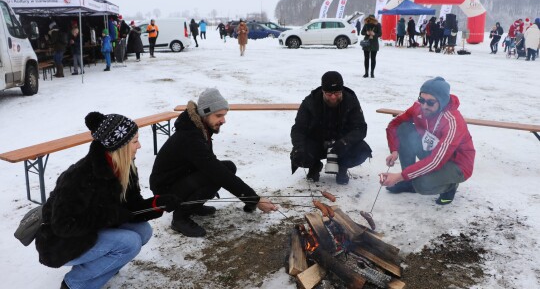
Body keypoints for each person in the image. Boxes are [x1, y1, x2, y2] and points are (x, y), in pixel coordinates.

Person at [35, 112, 180, 289]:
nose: (139, 146)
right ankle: (74, 283)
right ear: (118, 146)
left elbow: (132, 207)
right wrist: (109, 215)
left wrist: (158, 204)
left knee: (143, 231)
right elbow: (63, 225)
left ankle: (104, 266)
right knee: (129, 243)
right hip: (60, 243)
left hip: (93, 230)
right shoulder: (79, 176)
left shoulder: (126, 168)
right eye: (134, 141)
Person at [149, 88, 278, 237]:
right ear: (205, 113)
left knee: (228, 167)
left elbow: (212, 164)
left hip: (180, 179)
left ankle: (193, 206)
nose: (223, 120)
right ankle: (180, 218)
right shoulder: (190, 137)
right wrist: (254, 199)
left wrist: (251, 200)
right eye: (219, 115)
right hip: (165, 190)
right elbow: (216, 171)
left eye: (224, 115)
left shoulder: (200, 128)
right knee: (217, 174)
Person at [380, 77, 475, 205]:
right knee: (404, 128)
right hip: (432, 149)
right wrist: (394, 150)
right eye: (421, 99)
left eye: (430, 102)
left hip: (456, 163)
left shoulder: (453, 122)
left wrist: (399, 176)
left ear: (442, 102)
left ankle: (450, 186)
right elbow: (394, 124)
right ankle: (409, 182)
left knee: (421, 184)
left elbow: (437, 160)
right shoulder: (418, 108)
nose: (424, 106)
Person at [290, 71, 372, 185]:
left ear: (342, 90)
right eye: (329, 94)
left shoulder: (351, 101)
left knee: (362, 150)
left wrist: (345, 142)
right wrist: (299, 147)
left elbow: (361, 128)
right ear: (323, 91)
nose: (333, 97)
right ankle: (314, 166)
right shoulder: (310, 102)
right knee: (298, 155)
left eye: (337, 93)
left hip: (342, 144)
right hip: (317, 142)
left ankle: (342, 167)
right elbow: (298, 129)